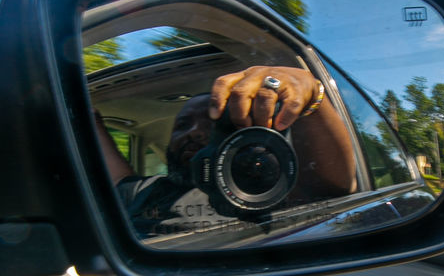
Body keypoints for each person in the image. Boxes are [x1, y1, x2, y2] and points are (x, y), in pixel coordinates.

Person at [95, 65, 356, 237]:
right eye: (183, 125)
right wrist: (84, 117)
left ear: (243, 136)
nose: (194, 132)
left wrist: (309, 89)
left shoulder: (266, 189)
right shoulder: (144, 189)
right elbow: (115, 176)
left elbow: (331, 189)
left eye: (211, 124)